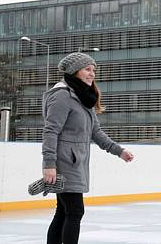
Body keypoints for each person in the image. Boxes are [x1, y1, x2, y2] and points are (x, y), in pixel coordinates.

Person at [41, 52, 135, 244]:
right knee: (75, 211)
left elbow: (96, 132)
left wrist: (120, 151)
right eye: (87, 69)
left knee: (64, 211)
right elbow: (50, 131)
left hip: (77, 163)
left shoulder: (83, 98)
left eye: (93, 70)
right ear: (75, 72)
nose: (92, 74)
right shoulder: (62, 96)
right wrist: (49, 163)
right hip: (65, 162)